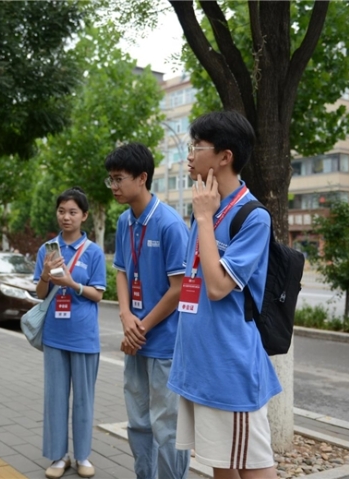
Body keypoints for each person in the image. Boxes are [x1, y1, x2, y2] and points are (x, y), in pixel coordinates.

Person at [167, 111, 281, 479]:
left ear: (224, 156)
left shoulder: (251, 216)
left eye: (196, 147)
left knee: (254, 467)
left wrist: (203, 219)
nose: (188, 156)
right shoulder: (207, 208)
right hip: (200, 364)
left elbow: (217, 288)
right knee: (222, 464)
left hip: (230, 366)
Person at [104, 143, 190, 479]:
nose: (114, 187)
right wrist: (126, 316)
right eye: (110, 180)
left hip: (163, 343)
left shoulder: (169, 224)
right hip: (135, 338)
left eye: (119, 179)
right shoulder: (124, 222)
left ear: (142, 178)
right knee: (138, 423)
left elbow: (180, 288)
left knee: (166, 427)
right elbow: (122, 271)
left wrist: (140, 328)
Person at [33, 187, 107, 479]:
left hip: (84, 336)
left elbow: (98, 294)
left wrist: (72, 283)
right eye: (62, 211)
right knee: (55, 398)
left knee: (83, 400)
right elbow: (41, 294)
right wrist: (45, 276)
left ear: (84, 216)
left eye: (73, 212)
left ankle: (83, 456)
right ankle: (58, 456)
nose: (66, 217)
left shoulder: (94, 252)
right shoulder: (48, 250)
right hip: (54, 335)